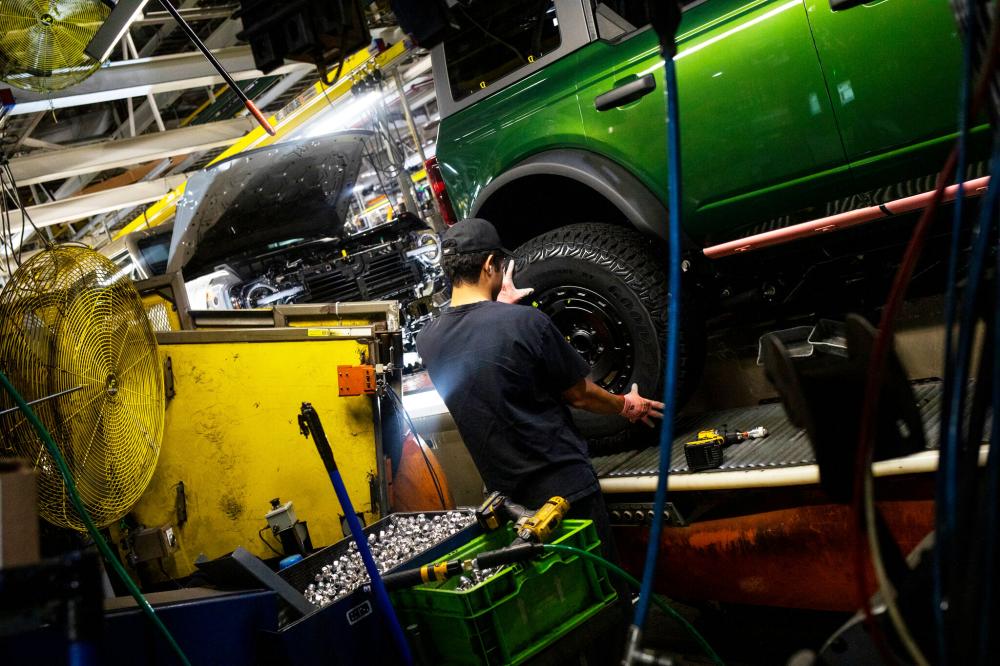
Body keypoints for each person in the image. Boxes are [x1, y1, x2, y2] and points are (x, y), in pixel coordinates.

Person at [416, 218, 664, 561]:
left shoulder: (427, 340)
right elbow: (580, 396)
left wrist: (498, 310)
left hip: (510, 501)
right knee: (603, 577)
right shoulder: (525, 322)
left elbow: (480, 362)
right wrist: (626, 405)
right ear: (490, 265)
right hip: (564, 489)